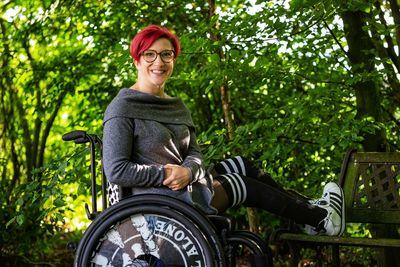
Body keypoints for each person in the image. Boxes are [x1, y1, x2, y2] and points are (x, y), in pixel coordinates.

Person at [102, 24, 345, 236]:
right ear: (137, 59)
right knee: (240, 183)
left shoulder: (176, 106)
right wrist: (164, 175)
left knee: (243, 164)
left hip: (185, 184)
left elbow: (195, 153)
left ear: (174, 60)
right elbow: (116, 170)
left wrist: (188, 172)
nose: (159, 62)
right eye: (150, 55)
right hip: (158, 200)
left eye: (166, 54)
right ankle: (322, 219)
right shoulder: (123, 107)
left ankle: (311, 214)